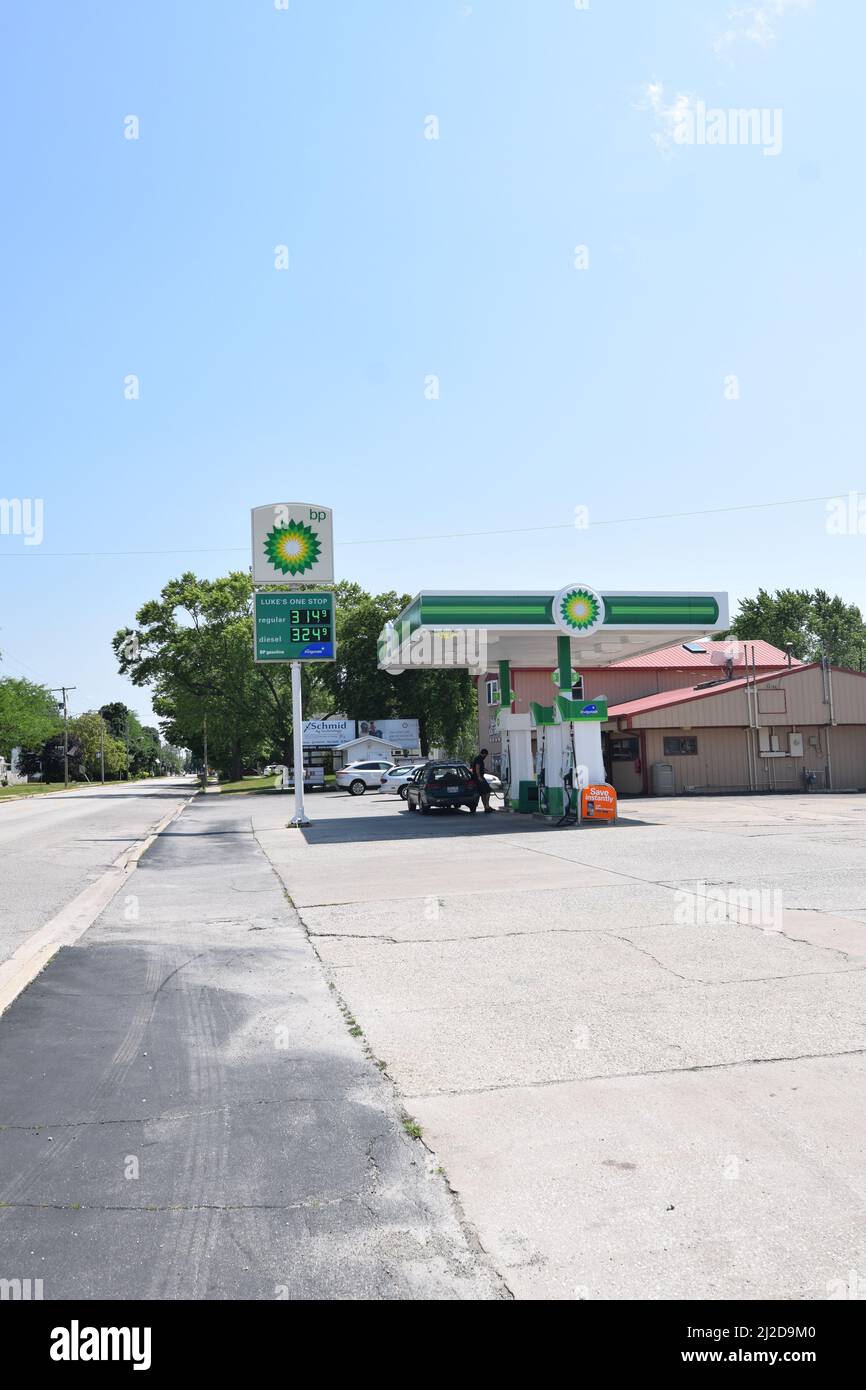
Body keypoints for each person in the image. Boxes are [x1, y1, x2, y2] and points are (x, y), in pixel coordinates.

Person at [471, 748, 494, 813]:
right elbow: (477, 767)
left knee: (485, 792)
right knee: (486, 791)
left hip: (479, 777)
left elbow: (479, 767)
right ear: (484, 754)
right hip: (478, 778)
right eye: (486, 755)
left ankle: (487, 807)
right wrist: (479, 777)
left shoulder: (479, 758)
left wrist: (484, 769)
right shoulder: (479, 758)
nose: (485, 757)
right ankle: (486, 807)